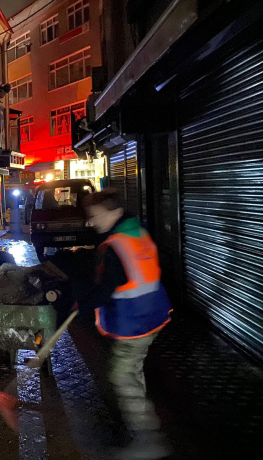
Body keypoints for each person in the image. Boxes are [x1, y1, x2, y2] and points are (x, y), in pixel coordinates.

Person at [79, 190, 172, 459]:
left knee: (122, 376)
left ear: (115, 213)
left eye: (95, 216)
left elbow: (105, 289)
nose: (91, 222)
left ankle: (148, 440)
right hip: (153, 314)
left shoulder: (115, 247)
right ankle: (143, 428)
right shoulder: (138, 234)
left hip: (135, 321)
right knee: (132, 372)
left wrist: (79, 305)